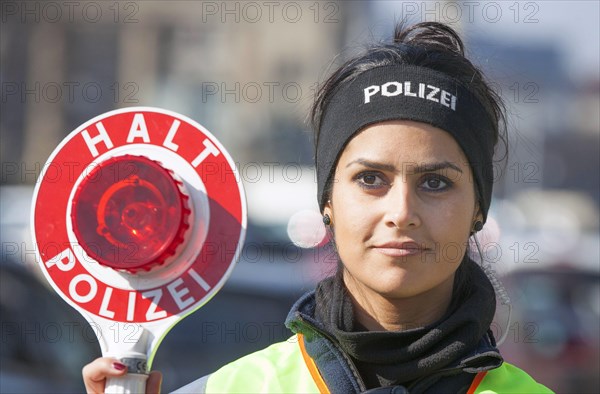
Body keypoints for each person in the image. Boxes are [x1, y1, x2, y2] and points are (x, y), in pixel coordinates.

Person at [83, 22, 553, 393]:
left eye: (436, 182)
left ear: (479, 208)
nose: (401, 210)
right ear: (327, 200)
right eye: (371, 179)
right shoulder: (228, 390)